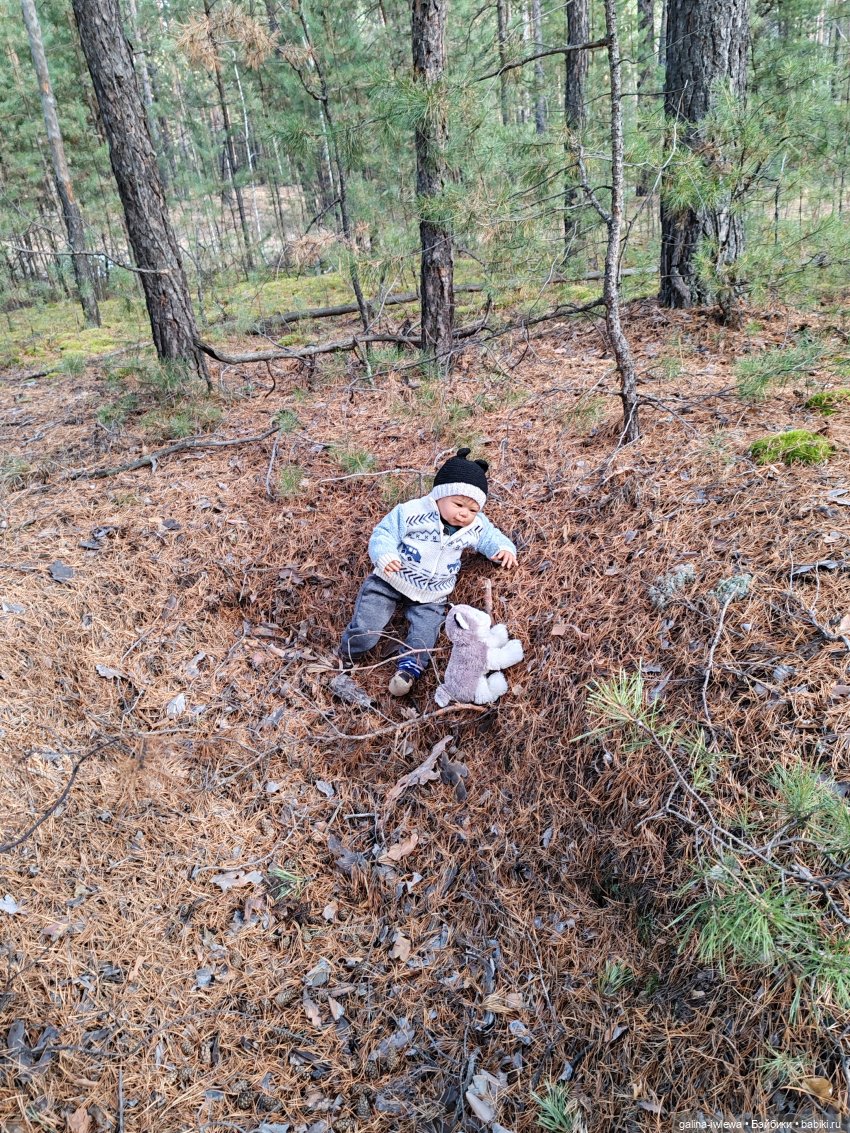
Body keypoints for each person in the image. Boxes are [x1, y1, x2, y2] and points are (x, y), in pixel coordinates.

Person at [338, 448, 518, 696]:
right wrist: (385, 554)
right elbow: (384, 533)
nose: (464, 513)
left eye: (472, 510)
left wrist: (503, 549)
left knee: (424, 635)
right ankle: (349, 653)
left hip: (433, 594)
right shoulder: (412, 512)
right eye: (458, 505)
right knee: (368, 626)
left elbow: (491, 537)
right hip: (390, 581)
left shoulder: (475, 526)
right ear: (439, 495)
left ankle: (408, 671)